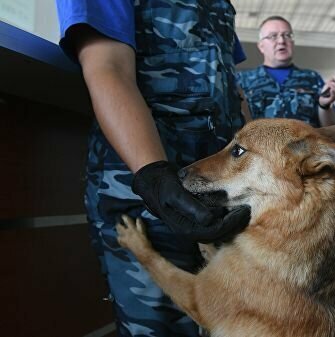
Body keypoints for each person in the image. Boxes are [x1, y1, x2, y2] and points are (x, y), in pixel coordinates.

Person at [55, 1, 251, 336]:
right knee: (163, 325)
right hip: (149, 191)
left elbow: (232, 89)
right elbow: (108, 66)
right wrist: (155, 178)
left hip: (223, 190)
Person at [237, 16, 335, 127]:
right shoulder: (241, 81)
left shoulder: (312, 79)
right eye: (273, 36)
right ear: (261, 46)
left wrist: (325, 106)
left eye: (287, 35)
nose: (281, 41)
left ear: (293, 43)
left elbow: (331, 130)